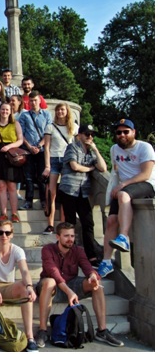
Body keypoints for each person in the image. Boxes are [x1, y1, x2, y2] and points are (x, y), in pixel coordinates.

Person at [35, 222, 124, 348]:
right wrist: (69, 292)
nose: (70, 239)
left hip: (72, 283)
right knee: (50, 282)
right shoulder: (47, 250)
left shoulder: (78, 250)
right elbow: (54, 273)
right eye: (66, 236)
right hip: (51, 287)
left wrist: (93, 276)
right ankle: (42, 330)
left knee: (96, 286)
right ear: (57, 237)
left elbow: (87, 267)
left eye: (72, 236)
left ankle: (102, 331)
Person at [98, 119, 156, 277]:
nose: (122, 135)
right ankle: (107, 261)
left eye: (126, 132)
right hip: (124, 186)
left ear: (133, 132)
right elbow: (116, 170)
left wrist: (123, 185)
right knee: (110, 221)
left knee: (124, 195)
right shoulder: (114, 149)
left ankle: (123, 236)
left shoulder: (145, 147)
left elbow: (146, 174)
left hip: (145, 184)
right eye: (119, 132)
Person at [0, 220, 37, 352]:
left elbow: (25, 271)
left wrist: (29, 287)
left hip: (8, 286)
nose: (4, 235)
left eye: (7, 232)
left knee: (25, 288)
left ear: (11, 235)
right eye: (0, 232)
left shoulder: (17, 250)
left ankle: (30, 337)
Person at [57, 124, 106, 265]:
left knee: (88, 223)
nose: (89, 137)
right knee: (70, 223)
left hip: (83, 192)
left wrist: (95, 149)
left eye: (91, 134)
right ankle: (68, 254)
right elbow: (74, 166)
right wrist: (90, 168)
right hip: (69, 190)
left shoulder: (91, 153)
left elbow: (103, 168)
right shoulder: (72, 147)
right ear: (79, 135)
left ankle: (91, 255)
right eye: (86, 134)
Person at [42, 103, 77, 234]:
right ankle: (50, 224)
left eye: (62, 110)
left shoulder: (73, 128)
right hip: (54, 159)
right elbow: (46, 147)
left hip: (68, 160)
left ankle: (63, 224)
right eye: (58, 110)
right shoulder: (50, 127)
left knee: (65, 194)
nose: (60, 112)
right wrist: (47, 165)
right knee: (51, 194)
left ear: (67, 111)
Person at [0, 103, 25, 222]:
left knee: (12, 186)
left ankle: (14, 213)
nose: (4, 111)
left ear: (10, 111)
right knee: (1, 186)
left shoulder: (16, 124)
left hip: (11, 155)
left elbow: (20, 140)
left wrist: (9, 147)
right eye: (3, 109)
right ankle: (3, 213)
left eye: (7, 109)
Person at [18, 91, 52, 211]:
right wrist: (29, 146)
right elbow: (21, 133)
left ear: (40, 101)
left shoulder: (47, 115)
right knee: (29, 177)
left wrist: (39, 145)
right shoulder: (24, 115)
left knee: (42, 177)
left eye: (35, 100)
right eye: (31, 101)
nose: (33, 103)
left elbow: (49, 132)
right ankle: (28, 200)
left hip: (43, 150)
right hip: (28, 150)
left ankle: (43, 200)